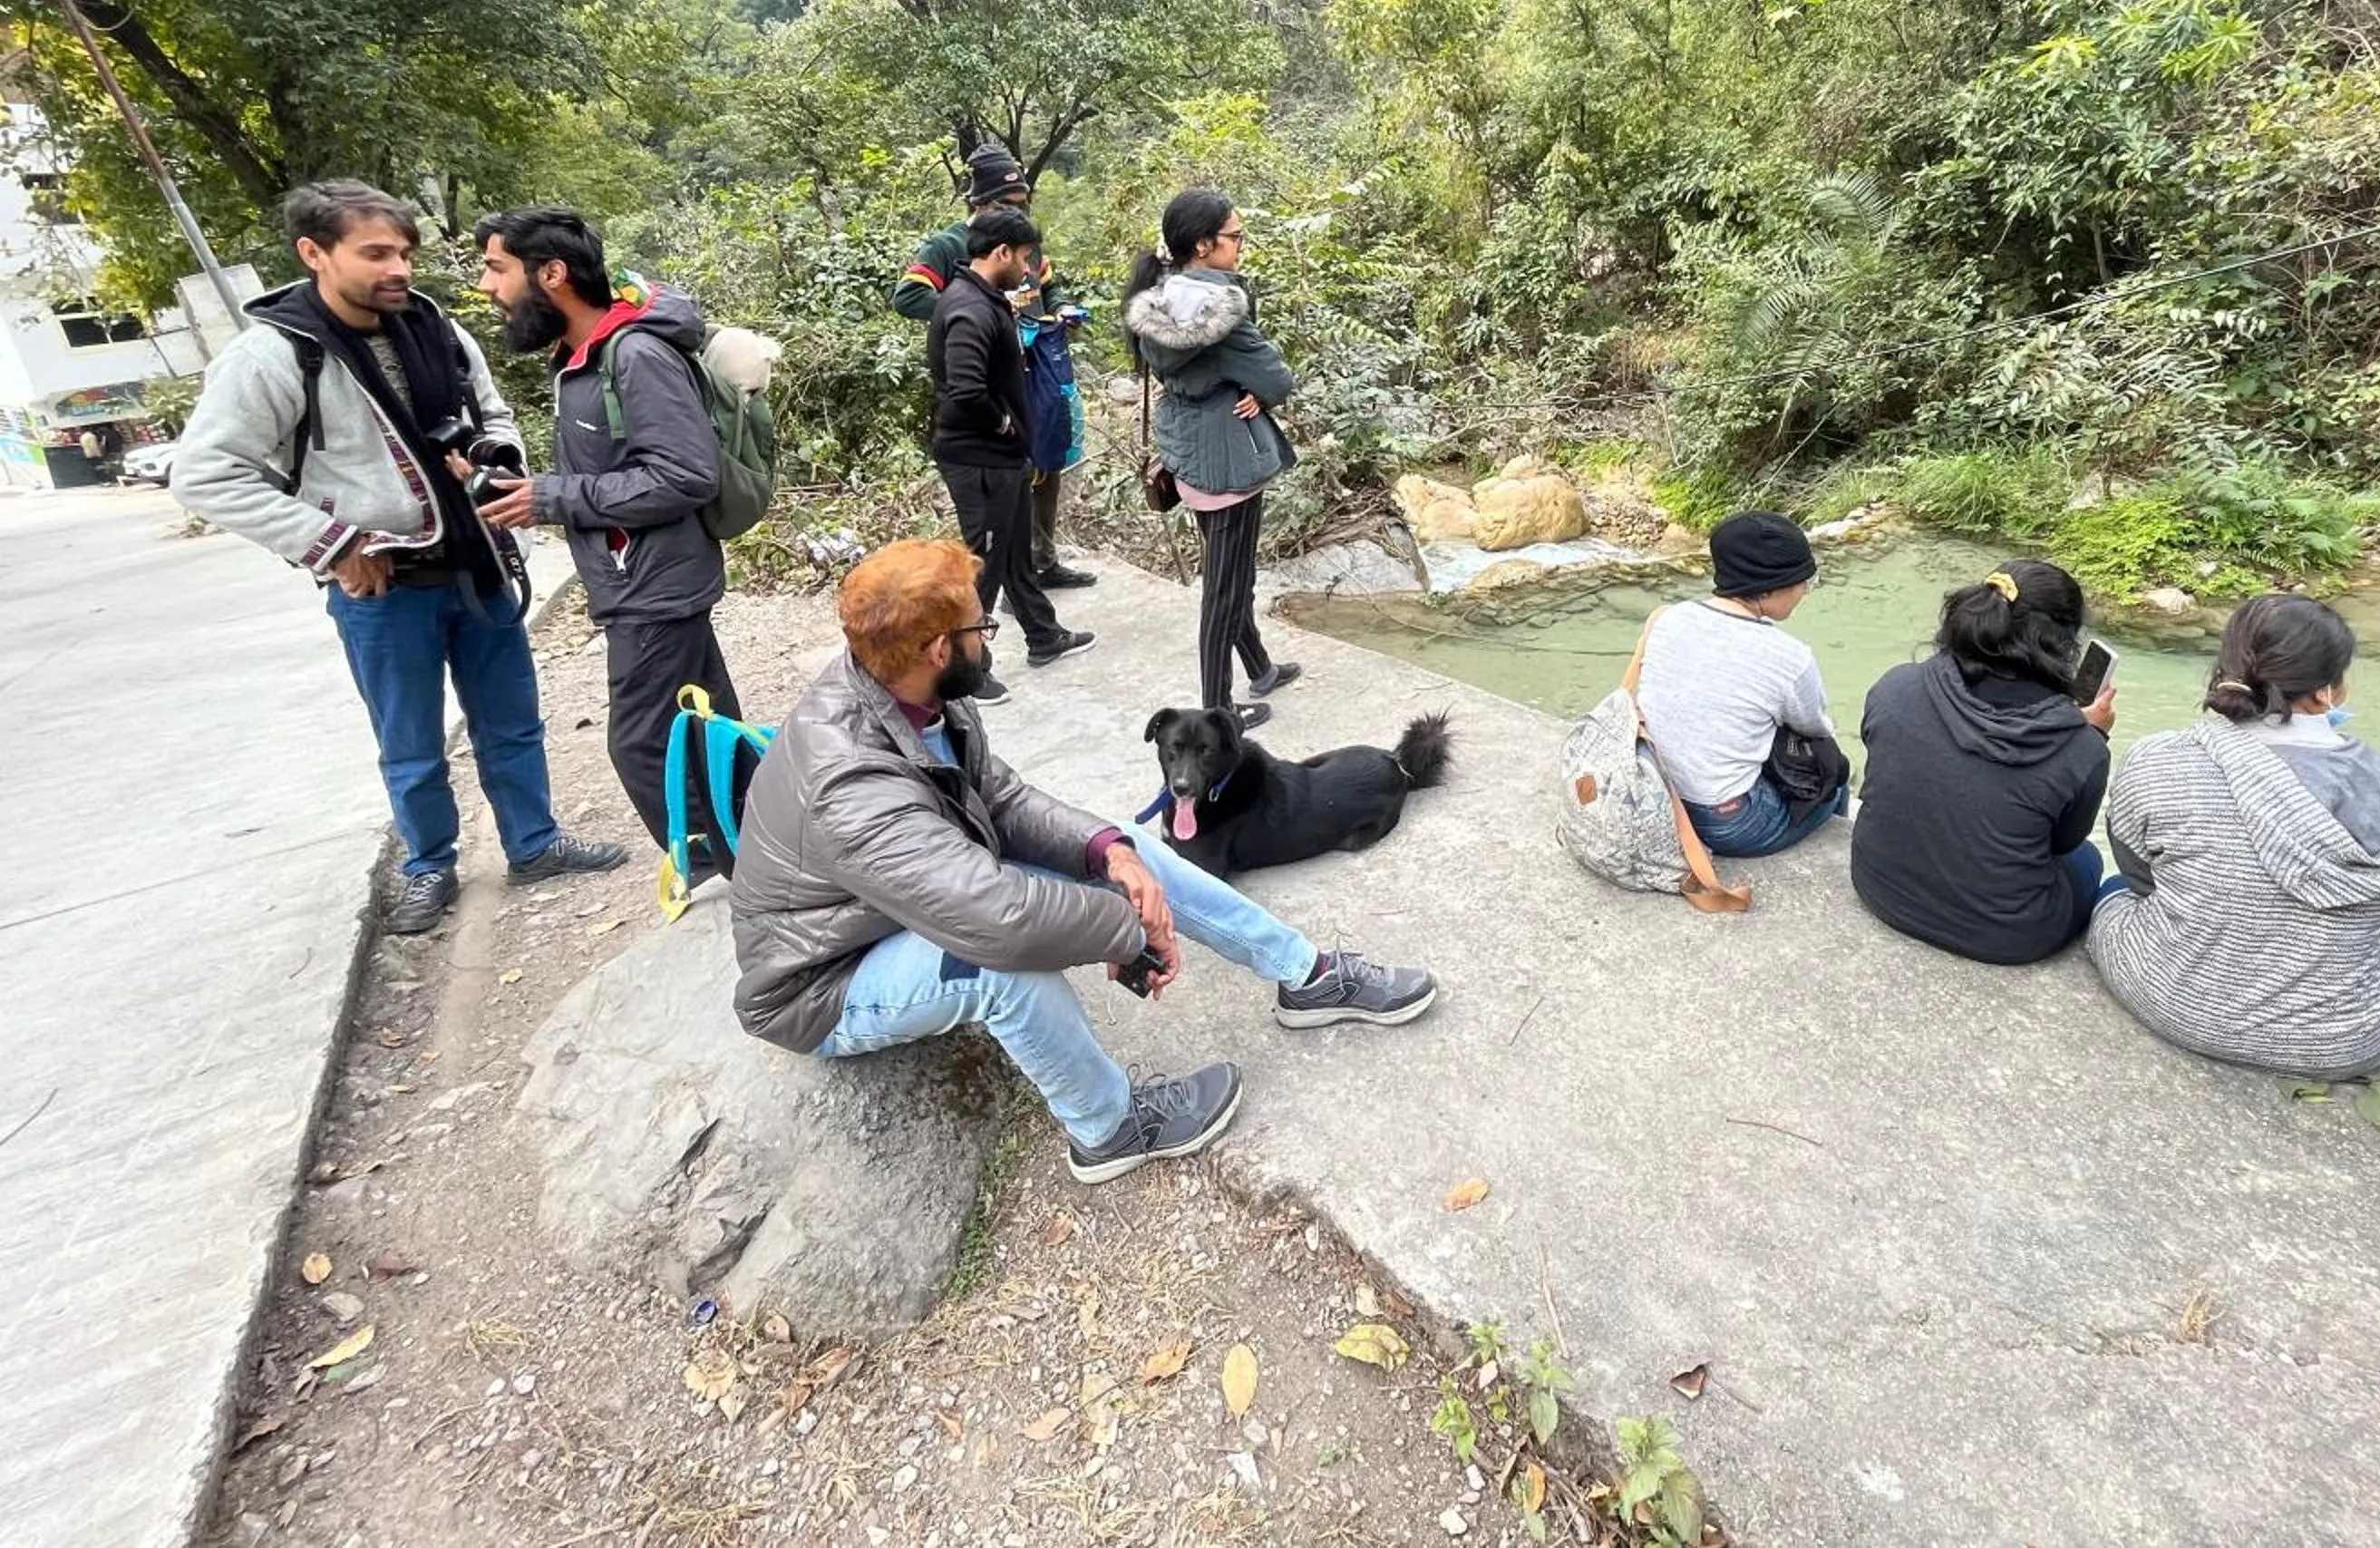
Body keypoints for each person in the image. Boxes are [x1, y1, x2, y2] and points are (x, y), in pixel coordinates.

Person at [727, 539, 1439, 1183]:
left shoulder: (910, 690)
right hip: (826, 979)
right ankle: (1108, 1128)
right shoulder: (850, 782)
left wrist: (1110, 851)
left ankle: (1303, 975)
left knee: (1136, 849)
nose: (991, 638)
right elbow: (997, 922)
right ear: (940, 647)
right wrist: (1129, 931)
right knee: (996, 967)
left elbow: (1000, 800)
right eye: (984, 626)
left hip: (900, 902)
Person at [170, 180, 627, 934]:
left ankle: (535, 844)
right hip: (383, 588)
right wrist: (333, 545)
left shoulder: (434, 327)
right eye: (376, 253)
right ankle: (431, 866)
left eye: (405, 252)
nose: (399, 269)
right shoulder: (277, 355)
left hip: (476, 561)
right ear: (314, 253)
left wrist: (492, 457)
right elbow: (205, 472)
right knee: (410, 740)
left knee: (512, 722)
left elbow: (492, 412)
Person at [470, 207, 745, 884]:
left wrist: (553, 497)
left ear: (553, 274)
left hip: (652, 585)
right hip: (642, 578)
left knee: (641, 742)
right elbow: (611, 470)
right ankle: (761, 848)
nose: (487, 287)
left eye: (496, 268)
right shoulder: (583, 358)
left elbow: (684, 475)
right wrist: (526, 488)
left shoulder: (635, 355)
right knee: (707, 726)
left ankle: (721, 864)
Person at [2090, 594, 2380, 1080]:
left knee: (2109, 889)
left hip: (2173, 1001)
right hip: (2340, 1041)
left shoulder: (2159, 758)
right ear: (2326, 692)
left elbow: (2137, 874)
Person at [1850, 559, 2119, 963]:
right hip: (2006, 936)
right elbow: (2062, 843)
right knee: (2089, 858)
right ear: (2064, 643)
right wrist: (2087, 731)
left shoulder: (1897, 684)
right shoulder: (2082, 747)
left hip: (1879, 886)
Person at [1122, 190, 1302, 730]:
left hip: (1192, 450)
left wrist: (1239, 384)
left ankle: (1260, 666)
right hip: (1228, 457)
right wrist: (1255, 388)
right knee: (1225, 586)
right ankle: (1218, 710)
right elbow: (1277, 377)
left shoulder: (1163, 298)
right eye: (1235, 236)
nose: (1241, 245)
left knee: (1232, 571)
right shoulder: (1219, 310)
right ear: (1203, 244)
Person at [891, 138, 1095, 592]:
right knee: (1010, 476)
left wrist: (1060, 308)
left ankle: (1044, 559)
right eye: (1007, 203)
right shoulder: (951, 245)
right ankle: (1008, 582)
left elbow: (1050, 288)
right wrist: (979, 307)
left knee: (1048, 459)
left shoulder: (1026, 243)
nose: (1017, 213)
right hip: (987, 378)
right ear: (980, 203)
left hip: (1037, 364)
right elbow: (907, 296)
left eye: (1023, 203)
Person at [928, 202, 1093, 700]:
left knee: (1016, 550)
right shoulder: (968, 309)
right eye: (1022, 258)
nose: (1027, 269)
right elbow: (964, 388)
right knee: (985, 563)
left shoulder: (985, 298)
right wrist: (1003, 423)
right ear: (999, 252)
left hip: (1003, 457)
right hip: (979, 459)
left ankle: (1043, 635)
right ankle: (966, 670)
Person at [1637, 512, 1849, 858]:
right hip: (1728, 822)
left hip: (1658, 794)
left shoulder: (1670, 618)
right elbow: (1815, 727)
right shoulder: (1789, 656)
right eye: (1804, 582)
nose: (1806, 593)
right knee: (1834, 778)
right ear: (1768, 587)